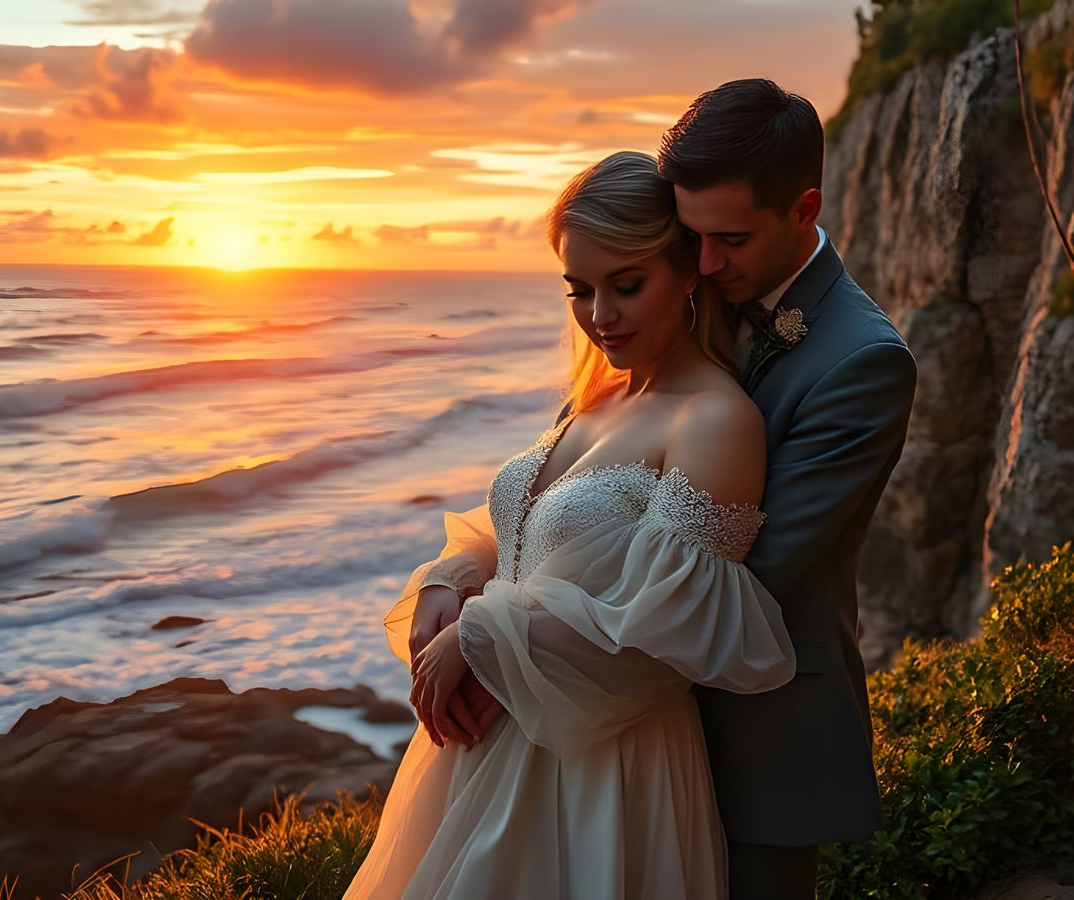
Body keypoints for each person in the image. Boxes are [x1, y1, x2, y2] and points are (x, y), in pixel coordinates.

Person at [343, 150, 797, 899]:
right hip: (489, 748)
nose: (599, 316)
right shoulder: (595, 400)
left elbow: (669, 638)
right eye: (579, 290)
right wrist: (448, 580)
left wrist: (481, 636)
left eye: (626, 285)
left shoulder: (715, 419)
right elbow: (531, 535)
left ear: (687, 269)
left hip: (599, 771)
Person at [659, 78, 918, 899]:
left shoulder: (863, 363)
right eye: (688, 235)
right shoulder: (690, 287)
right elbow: (579, 448)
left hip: (762, 737)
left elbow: (755, 568)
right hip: (637, 732)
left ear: (804, 209)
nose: (701, 265)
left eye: (728, 239)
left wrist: (526, 639)